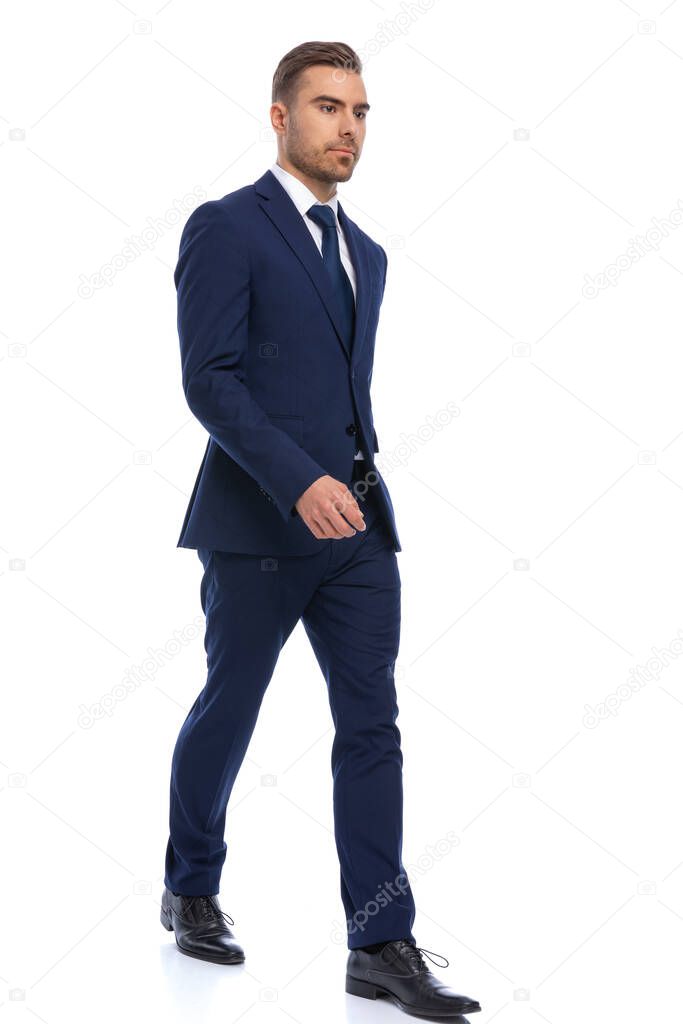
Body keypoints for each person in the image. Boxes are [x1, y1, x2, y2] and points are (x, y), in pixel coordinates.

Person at [160, 39, 481, 1017]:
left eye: (359, 110)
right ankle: (191, 882)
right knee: (232, 701)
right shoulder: (226, 226)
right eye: (326, 107)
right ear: (278, 116)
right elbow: (208, 379)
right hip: (257, 524)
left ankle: (378, 942)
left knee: (371, 726)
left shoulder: (367, 254)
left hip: (355, 527)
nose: (346, 126)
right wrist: (297, 481)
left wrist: (343, 483)